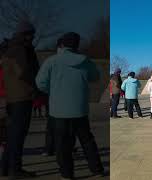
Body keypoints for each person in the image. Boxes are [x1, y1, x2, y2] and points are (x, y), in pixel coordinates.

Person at [36, 32, 105, 179]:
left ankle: (67, 174)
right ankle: (97, 170)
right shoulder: (85, 61)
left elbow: (40, 83)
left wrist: (53, 90)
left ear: (61, 44)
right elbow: (95, 77)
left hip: (58, 111)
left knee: (62, 144)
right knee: (87, 141)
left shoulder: (52, 61)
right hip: (79, 109)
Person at [0, 21, 39, 178]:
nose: (33, 38)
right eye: (32, 34)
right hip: (22, 96)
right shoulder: (21, 49)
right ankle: (15, 170)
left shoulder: (8, 48)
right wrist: (36, 84)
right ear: (27, 34)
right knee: (18, 136)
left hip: (12, 97)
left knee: (11, 135)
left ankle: (5, 167)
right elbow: (23, 72)